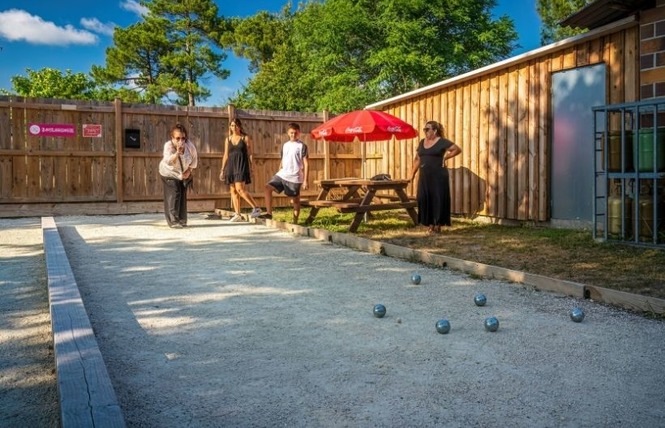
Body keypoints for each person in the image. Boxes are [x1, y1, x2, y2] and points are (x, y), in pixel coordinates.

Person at [409, 120, 461, 234]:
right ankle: (429, 223)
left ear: (435, 130)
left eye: (427, 129)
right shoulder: (422, 142)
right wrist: (412, 174)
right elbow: (417, 159)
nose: (425, 131)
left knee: (437, 199)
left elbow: (457, 149)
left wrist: (445, 158)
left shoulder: (442, 142)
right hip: (424, 177)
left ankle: (437, 225)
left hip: (438, 176)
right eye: (424, 129)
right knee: (423, 198)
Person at [259, 122, 309, 224]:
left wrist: (305, 181)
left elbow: (306, 163)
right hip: (282, 174)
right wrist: (279, 170)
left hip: (295, 177)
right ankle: (269, 213)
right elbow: (283, 159)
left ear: (299, 133)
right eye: (291, 133)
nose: (293, 135)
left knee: (295, 200)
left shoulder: (302, 146)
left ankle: (295, 222)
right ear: (288, 133)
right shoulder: (285, 145)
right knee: (267, 188)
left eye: (295, 133)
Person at [220, 118, 261, 222]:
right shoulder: (227, 139)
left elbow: (250, 154)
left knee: (240, 189)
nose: (234, 127)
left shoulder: (245, 138)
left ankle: (256, 208)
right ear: (230, 127)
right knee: (233, 190)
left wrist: (252, 167)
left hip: (241, 165)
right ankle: (237, 214)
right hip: (231, 166)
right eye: (232, 125)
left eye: (236, 125)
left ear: (240, 126)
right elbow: (225, 155)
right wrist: (222, 169)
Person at [159, 123, 198, 228]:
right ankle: (173, 221)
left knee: (182, 193)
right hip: (168, 172)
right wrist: (177, 153)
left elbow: (194, 160)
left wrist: (189, 170)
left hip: (182, 173)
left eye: (183, 138)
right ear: (172, 138)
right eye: (177, 138)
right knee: (174, 192)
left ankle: (182, 219)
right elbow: (167, 161)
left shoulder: (190, 146)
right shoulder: (168, 146)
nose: (181, 141)